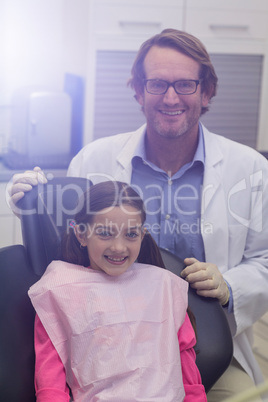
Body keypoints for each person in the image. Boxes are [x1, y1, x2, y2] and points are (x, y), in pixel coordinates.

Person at [9, 28, 268, 400]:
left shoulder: (251, 169)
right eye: (157, 84)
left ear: (206, 91)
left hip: (210, 348)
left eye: (185, 85)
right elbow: (60, 247)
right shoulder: (94, 159)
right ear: (138, 91)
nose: (171, 97)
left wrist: (230, 286)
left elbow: (265, 259)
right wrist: (26, 202)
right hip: (106, 353)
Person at [28, 180, 206, 402]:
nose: (119, 247)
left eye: (131, 235)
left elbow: (188, 374)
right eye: (105, 233)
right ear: (81, 235)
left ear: (143, 235)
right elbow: (50, 385)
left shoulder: (163, 287)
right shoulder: (59, 291)